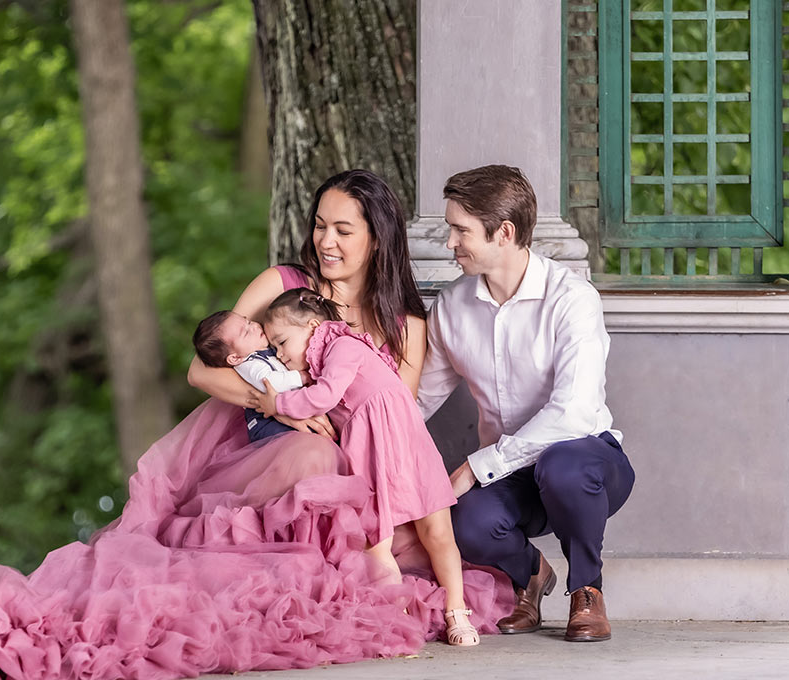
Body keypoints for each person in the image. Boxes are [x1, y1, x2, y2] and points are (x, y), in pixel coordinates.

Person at [0, 170, 513, 680]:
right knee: (310, 467)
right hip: (266, 447)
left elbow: (395, 422)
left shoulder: (404, 322)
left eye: (343, 230)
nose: (327, 241)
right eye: (319, 225)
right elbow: (204, 371)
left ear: (377, 237)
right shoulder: (282, 285)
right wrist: (280, 403)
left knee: (404, 536)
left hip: (361, 465)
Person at [416, 164, 635, 642]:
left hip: (587, 464)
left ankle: (587, 591)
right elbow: (420, 400)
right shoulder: (452, 306)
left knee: (563, 465)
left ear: (505, 233)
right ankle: (532, 576)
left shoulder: (572, 299)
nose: (450, 243)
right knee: (462, 518)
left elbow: (573, 413)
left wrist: (477, 466)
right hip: (511, 477)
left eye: (460, 230)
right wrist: (363, 438)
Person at [259, 288, 478, 646]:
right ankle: (403, 617)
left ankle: (457, 608)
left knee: (437, 531)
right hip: (370, 450)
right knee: (376, 542)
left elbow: (326, 397)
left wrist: (277, 403)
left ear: (314, 325)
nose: (280, 355)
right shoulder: (315, 365)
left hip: (405, 444)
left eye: (282, 342)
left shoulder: (344, 347)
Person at [191, 310, 306, 442]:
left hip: (283, 412)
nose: (254, 326)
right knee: (300, 441)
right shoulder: (249, 365)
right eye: (246, 332)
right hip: (269, 425)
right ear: (235, 358)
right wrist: (300, 377)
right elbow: (270, 383)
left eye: (249, 321)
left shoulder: (265, 350)